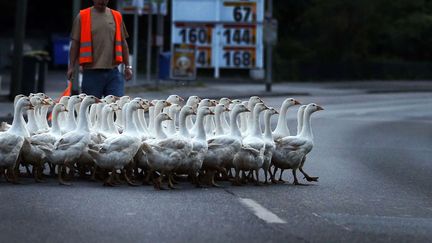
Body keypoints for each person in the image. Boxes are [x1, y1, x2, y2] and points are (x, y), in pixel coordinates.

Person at [66, 0, 132, 98]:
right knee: (92, 109)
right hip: (91, 72)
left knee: (117, 108)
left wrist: (128, 66)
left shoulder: (116, 16)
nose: (102, 1)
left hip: (113, 72)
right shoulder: (83, 16)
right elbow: (75, 44)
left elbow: (123, 43)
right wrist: (71, 67)